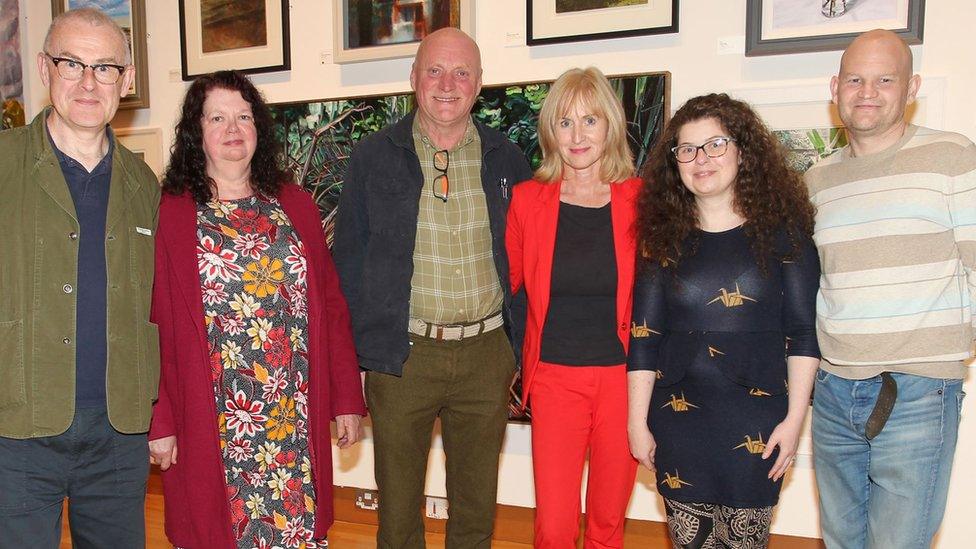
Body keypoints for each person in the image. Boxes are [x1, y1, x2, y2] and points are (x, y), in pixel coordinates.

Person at [147, 70, 366, 549]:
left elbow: (330, 305)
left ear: (259, 128)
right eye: (217, 117)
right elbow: (150, 323)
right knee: (212, 533)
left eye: (243, 116)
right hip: (211, 420)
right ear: (195, 133)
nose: (232, 129)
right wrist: (158, 419)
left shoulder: (296, 207)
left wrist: (346, 396)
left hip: (291, 421)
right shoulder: (169, 216)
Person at [332, 28, 533, 548]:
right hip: (402, 359)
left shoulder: (507, 160)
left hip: (487, 357)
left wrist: (518, 353)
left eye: (462, 71)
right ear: (414, 78)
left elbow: (531, 262)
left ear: (480, 83)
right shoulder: (373, 156)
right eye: (435, 70)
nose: (448, 83)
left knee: (475, 512)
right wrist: (352, 363)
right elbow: (348, 265)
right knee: (397, 517)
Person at [628, 93, 821, 548]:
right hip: (678, 418)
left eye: (715, 145)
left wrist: (794, 421)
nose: (701, 159)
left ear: (742, 150)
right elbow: (644, 338)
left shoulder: (785, 233)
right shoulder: (660, 238)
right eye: (687, 149)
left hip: (757, 417)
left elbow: (803, 335)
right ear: (674, 162)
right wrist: (637, 424)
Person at [806, 29, 974, 549]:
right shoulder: (817, 179)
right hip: (832, 391)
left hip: (920, 390)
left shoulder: (953, 155)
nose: (868, 92)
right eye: (855, 79)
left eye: (885, 79)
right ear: (836, 87)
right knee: (841, 540)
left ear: (911, 86)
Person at [0, 8, 160, 548]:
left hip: (118, 436)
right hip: (15, 430)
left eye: (106, 67)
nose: (89, 82)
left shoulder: (147, 187)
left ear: (127, 80)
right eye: (72, 64)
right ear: (44, 68)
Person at [505, 66, 640, 548]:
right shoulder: (527, 201)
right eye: (565, 123)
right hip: (555, 379)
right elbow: (511, 289)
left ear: (610, 126)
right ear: (550, 132)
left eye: (590, 120)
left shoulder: (641, 201)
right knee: (555, 526)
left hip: (623, 382)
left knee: (607, 524)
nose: (578, 135)